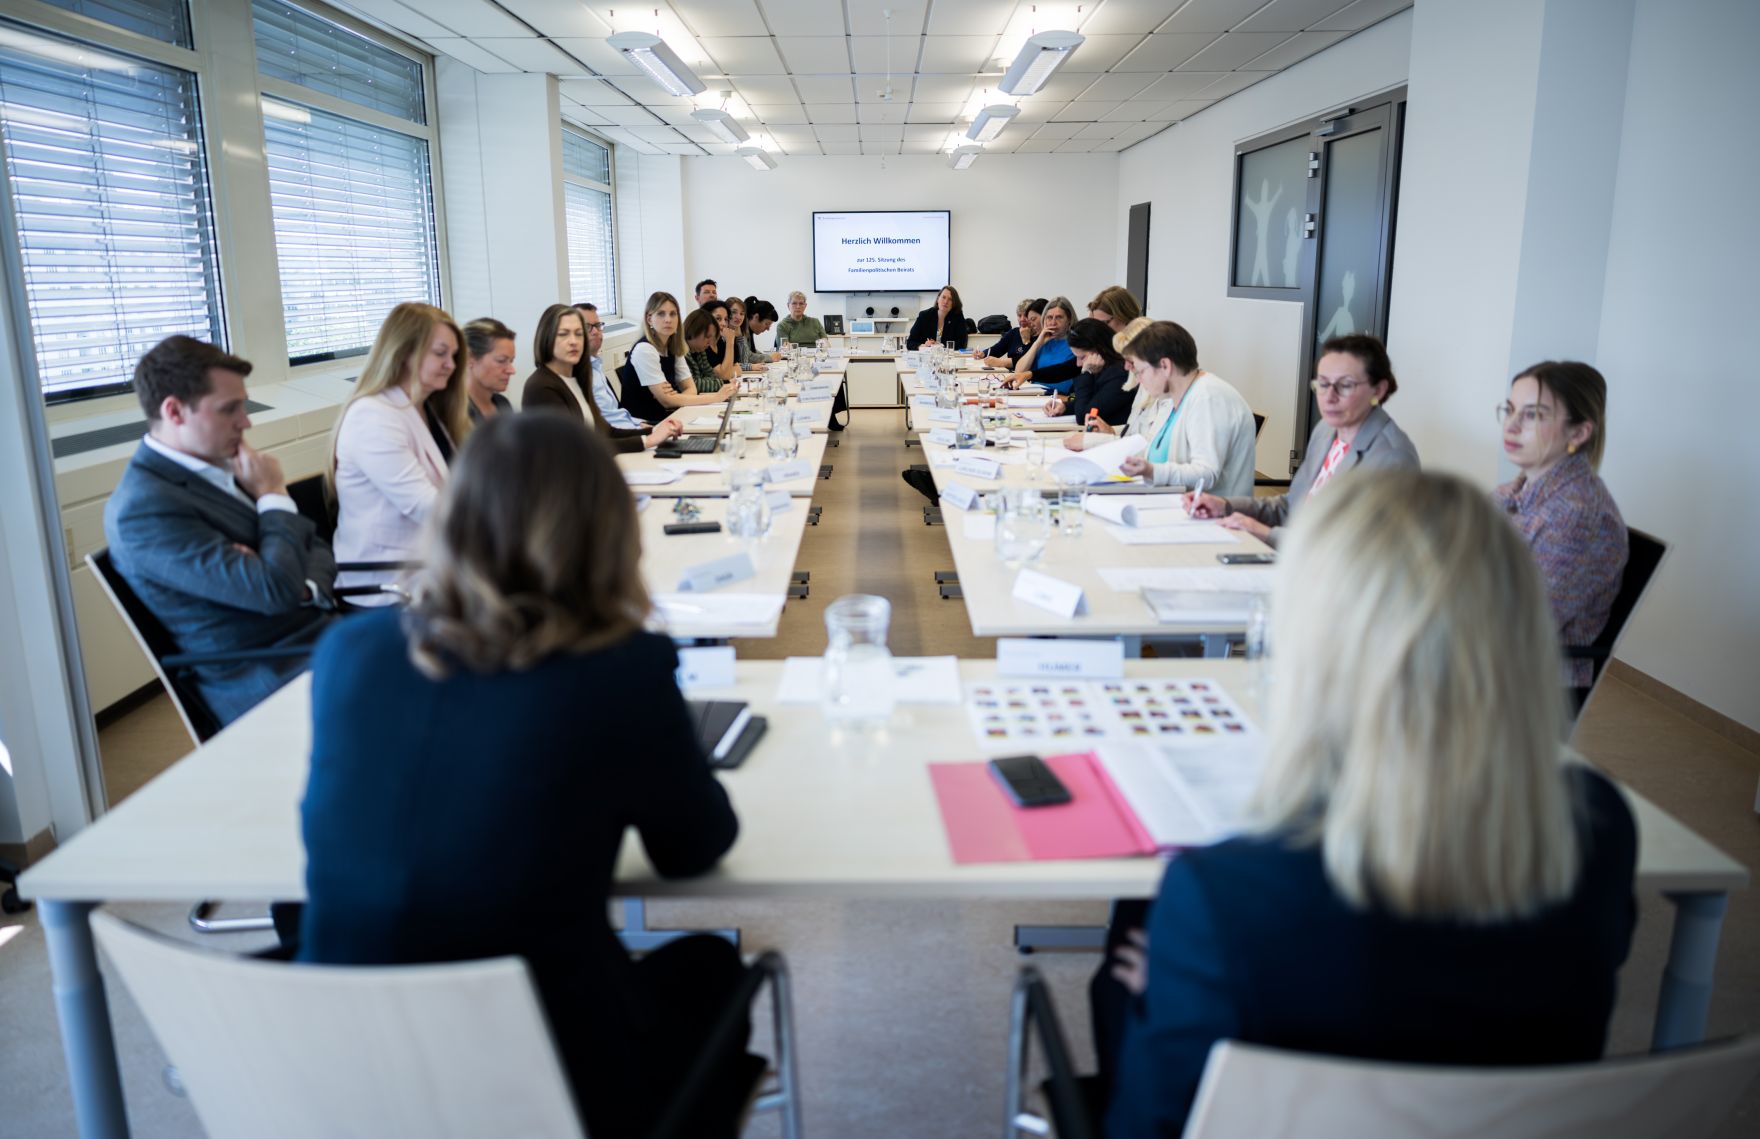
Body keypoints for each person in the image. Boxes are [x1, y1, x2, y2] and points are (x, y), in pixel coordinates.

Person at [1094, 470, 1637, 1137]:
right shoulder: (1601, 825)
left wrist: (1171, 983)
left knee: (1123, 961)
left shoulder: (1218, 895)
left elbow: (1142, 1123)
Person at [298, 412, 758, 1139]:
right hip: (544, 1065)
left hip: (352, 1057)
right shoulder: (621, 667)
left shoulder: (349, 651)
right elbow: (692, 847)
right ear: (606, 526)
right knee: (711, 964)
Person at [103, 336, 336, 726]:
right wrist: (274, 497)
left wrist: (300, 584)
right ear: (175, 411)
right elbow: (275, 589)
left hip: (322, 641)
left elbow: (317, 548)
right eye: (231, 409)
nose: (246, 422)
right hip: (269, 676)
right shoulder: (142, 509)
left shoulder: (222, 466)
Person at [1187, 334, 1419, 546]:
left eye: (1345, 385)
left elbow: (1356, 544)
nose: (1329, 397)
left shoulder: (1392, 457)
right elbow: (1290, 506)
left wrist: (1267, 534)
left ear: (1378, 390)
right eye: (1323, 384)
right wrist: (1225, 506)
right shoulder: (1327, 430)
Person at [1493, 361, 1628, 693]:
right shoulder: (1518, 490)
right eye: (1509, 410)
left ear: (1579, 432)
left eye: (1533, 415)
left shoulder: (1577, 515)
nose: (1511, 426)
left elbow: (1522, 624)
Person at [331, 302, 469, 604]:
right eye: (440, 353)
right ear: (405, 353)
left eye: (454, 355)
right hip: (387, 586)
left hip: (433, 569)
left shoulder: (428, 409)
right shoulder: (373, 415)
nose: (451, 364)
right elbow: (425, 505)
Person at [1064, 319, 1256, 496]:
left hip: (1212, 520)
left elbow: (1206, 474)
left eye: (1139, 371)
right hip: (1172, 501)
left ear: (1165, 366)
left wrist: (1151, 471)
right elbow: (1147, 448)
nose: (1137, 378)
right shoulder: (1175, 397)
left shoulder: (1209, 397)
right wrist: (1099, 442)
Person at [522, 304, 678, 453]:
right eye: (564, 334)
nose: (573, 341)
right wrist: (648, 440)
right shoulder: (541, 386)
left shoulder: (577, 378)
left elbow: (607, 431)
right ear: (546, 338)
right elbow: (573, 447)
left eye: (578, 333)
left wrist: (655, 431)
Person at [619, 291, 736, 423]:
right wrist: (716, 397)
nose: (668, 319)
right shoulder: (645, 350)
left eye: (673, 314)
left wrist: (674, 397)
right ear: (649, 319)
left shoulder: (674, 347)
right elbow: (667, 401)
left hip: (667, 418)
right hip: (643, 425)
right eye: (661, 314)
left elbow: (691, 389)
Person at [572, 301, 650, 432]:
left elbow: (616, 415)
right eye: (587, 327)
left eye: (597, 325)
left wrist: (642, 425)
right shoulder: (576, 374)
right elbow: (604, 427)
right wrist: (644, 433)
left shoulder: (595, 367)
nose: (596, 331)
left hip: (629, 430)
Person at [1044, 317, 1132, 426]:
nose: (1078, 364)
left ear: (1100, 350)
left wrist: (1086, 374)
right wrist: (1066, 407)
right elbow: (1093, 402)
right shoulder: (1105, 368)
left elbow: (1083, 418)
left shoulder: (1120, 375)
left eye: (1082, 357)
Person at [1004, 296, 1081, 395]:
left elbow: (1063, 375)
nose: (1053, 322)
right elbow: (1019, 371)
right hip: (1035, 395)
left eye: (1059, 317)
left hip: (1058, 399)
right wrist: (1037, 343)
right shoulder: (1043, 342)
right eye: (1049, 318)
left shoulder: (1077, 344)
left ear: (1069, 320)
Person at [461, 318, 516, 422]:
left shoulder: (503, 404)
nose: (512, 370)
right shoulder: (455, 413)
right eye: (501, 360)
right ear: (469, 358)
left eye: (511, 361)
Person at [979, 298, 1043, 369]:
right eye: (1019, 315)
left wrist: (1026, 341)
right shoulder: (1014, 332)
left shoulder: (1041, 336)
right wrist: (983, 353)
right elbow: (997, 349)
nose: (1022, 319)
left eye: (1025, 316)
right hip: (1011, 374)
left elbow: (1029, 362)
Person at [906, 285, 969, 350]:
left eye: (950, 299)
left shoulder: (957, 317)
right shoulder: (924, 316)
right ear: (938, 299)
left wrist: (941, 346)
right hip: (927, 357)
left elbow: (962, 344)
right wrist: (924, 346)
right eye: (943, 297)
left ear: (954, 303)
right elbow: (910, 342)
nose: (946, 302)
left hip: (949, 357)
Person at [682, 308, 728, 393]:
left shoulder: (700, 352)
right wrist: (723, 383)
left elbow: (712, 376)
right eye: (707, 336)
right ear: (693, 331)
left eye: (712, 338)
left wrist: (705, 381)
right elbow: (693, 384)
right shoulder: (680, 354)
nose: (710, 342)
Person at [696, 298, 739, 385]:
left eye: (726, 319)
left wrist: (727, 371)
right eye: (718, 319)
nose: (723, 323)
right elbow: (724, 376)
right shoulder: (703, 346)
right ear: (706, 319)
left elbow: (738, 369)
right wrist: (730, 342)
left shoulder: (720, 343)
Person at [739, 297, 782, 365]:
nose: (768, 329)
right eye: (766, 324)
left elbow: (751, 351)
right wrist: (770, 357)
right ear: (756, 317)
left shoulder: (747, 330)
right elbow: (748, 357)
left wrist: (768, 356)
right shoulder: (740, 329)